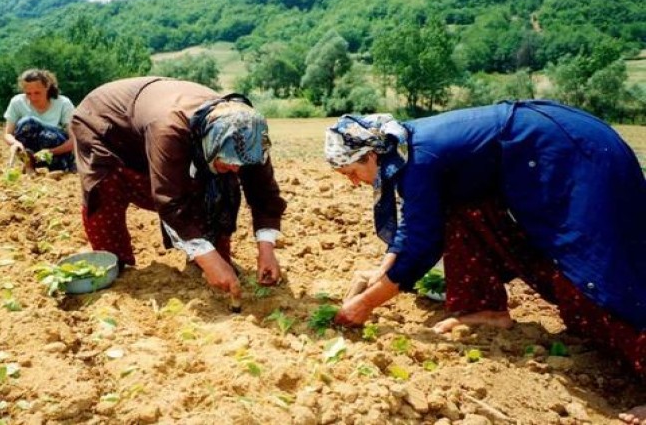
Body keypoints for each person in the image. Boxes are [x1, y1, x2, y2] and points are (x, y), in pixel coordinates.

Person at [323, 100, 645, 423]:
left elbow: (421, 246)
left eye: (351, 172)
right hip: (548, 148)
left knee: (593, 274)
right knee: (461, 210)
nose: (353, 182)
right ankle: (487, 309)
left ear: (370, 156)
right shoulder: (403, 151)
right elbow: (417, 218)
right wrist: (383, 269)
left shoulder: (419, 158)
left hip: (570, 154)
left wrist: (365, 305)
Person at [70, 76, 287, 301]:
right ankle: (114, 262)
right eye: (228, 160)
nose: (236, 167)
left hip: (153, 118)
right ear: (209, 144)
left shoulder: (248, 136)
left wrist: (266, 250)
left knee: (220, 181)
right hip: (106, 125)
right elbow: (169, 199)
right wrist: (208, 259)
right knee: (107, 184)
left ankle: (210, 256)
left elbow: (264, 192)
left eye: (241, 163)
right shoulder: (169, 129)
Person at [3, 69, 76, 172]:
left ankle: (63, 164)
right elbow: (7, 134)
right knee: (27, 123)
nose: (33, 98)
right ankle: (30, 164)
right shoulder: (17, 102)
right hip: (31, 152)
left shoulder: (63, 103)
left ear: (47, 86)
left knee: (44, 134)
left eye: (37, 93)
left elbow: (74, 140)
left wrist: (50, 152)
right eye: (28, 93)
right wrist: (15, 143)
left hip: (56, 150)